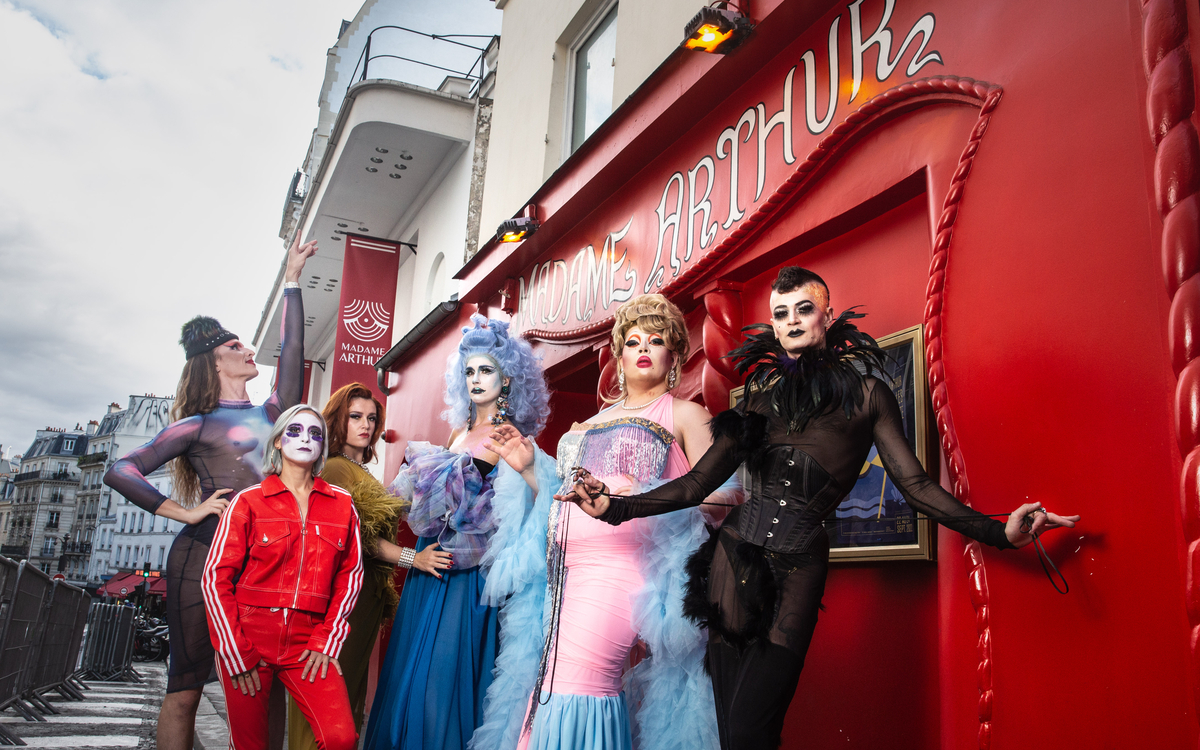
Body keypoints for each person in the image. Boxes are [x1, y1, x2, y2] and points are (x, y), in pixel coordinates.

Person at [562, 267, 1082, 750]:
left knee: (752, 732)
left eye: (802, 309)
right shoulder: (760, 401)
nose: (790, 321)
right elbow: (697, 484)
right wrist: (612, 507)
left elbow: (916, 486)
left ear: (827, 317)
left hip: (797, 569)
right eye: (780, 313)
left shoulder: (867, 396)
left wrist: (998, 532)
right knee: (728, 729)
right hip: (730, 563)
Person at [469, 294, 740, 750]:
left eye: (656, 341)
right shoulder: (589, 423)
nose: (643, 349)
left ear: (673, 354)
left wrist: (642, 493)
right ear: (619, 355)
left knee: (581, 684)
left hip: (624, 573)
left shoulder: (686, 414)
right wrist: (531, 468)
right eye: (632, 341)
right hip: (565, 574)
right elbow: (565, 494)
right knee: (547, 688)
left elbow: (728, 495)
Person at [104, 234, 316, 750]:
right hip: (201, 561)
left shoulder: (273, 413)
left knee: (266, 687)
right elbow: (121, 469)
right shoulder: (197, 425)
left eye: (244, 343)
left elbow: (294, 352)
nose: (247, 350)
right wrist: (187, 511)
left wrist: (292, 282)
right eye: (234, 346)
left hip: (264, 564)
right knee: (186, 688)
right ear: (214, 363)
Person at [363, 315, 551, 750]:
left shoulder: (510, 435)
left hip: (469, 575)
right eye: (469, 371)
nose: (476, 379)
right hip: (430, 566)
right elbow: (417, 500)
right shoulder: (457, 431)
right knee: (413, 675)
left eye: (486, 370)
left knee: (443, 680)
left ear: (508, 379)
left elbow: (525, 508)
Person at [287, 382, 452, 750]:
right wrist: (415, 559)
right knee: (327, 706)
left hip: (362, 601)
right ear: (337, 420)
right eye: (355, 417)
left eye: (372, 418)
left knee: (347, 702)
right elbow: (354, 537)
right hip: (339, 604)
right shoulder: (333, 467)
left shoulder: (356, 470)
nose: (366, 425)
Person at [201, 405, 363, 750]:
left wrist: (328, 640)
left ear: (322, 447)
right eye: (295, 430)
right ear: (277, 442)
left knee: (341, 739)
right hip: (248, 636)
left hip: (309, 643)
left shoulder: (343, 505)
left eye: (315, 433)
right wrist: (234, 649)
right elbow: (215, 578)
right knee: (249, 745)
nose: (306, 438)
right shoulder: (248, 502)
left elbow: (350, 577)